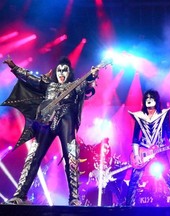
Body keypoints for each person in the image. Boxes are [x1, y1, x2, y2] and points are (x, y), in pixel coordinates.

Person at [1, 56, 99, 206]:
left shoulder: (75, 85)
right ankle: (20, 195)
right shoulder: (49, 84)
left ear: (69, 72)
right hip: (46, 122)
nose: (61, 73)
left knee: (71, 157)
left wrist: (92, 75)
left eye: (64, 70)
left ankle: (74, 198)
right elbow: (30, 78)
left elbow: (87, 86)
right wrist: (14, 67)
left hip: (66, 120)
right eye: (59, 70)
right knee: (33, 156)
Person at [125, 89, 170, 206]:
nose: (148, 100)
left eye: (151, 98)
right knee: (133, 182)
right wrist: (136, 155)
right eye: (146, 98)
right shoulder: (139, 116)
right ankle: (128, 209)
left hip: (160, 150)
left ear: (156, 101)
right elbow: (135, 138)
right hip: (143, 150)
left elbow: (169, 133)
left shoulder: (163, 115)